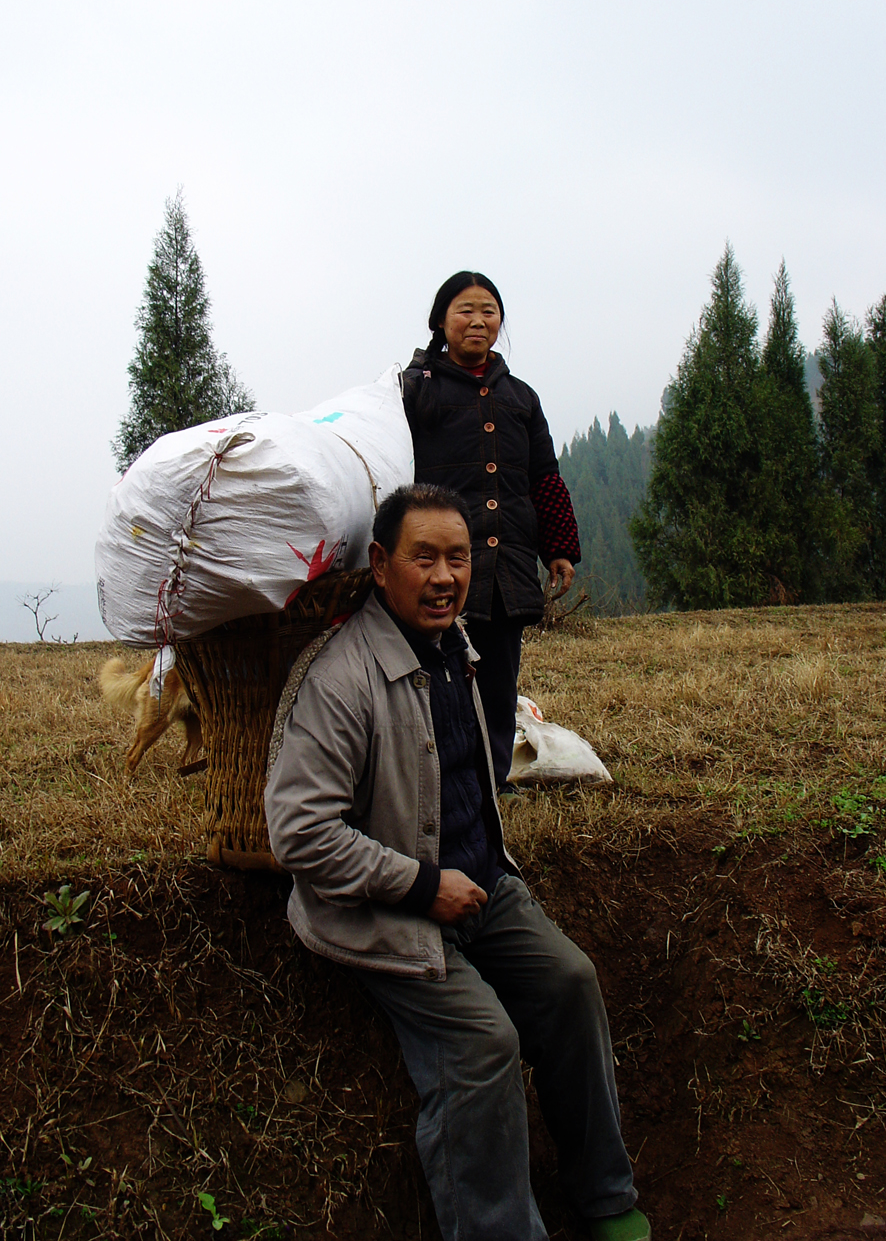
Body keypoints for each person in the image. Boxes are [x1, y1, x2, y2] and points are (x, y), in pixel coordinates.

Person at [265, 484, 650, 1241]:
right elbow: (299, 833)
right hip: (388, 910)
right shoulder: (341, 679)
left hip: (480, 883)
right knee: (485, 1044)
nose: (444, 577)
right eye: (424, 558)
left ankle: (605, 1195)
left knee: (571, 983)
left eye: (458, 558)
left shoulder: (456, 649)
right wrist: (419, 885)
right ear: (380, 565)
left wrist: (471, 877)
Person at [401, 272, 581, 791]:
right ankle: (433, 783)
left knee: (499, 681)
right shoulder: (416, 391)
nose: (479, 321)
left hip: (507, 564)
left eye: (489, 311)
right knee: (432, 672)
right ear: (441, 320)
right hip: (436, 561)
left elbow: (545, 476)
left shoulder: (521, 398)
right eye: (465, 310)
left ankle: (493, 781)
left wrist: (560, 548)